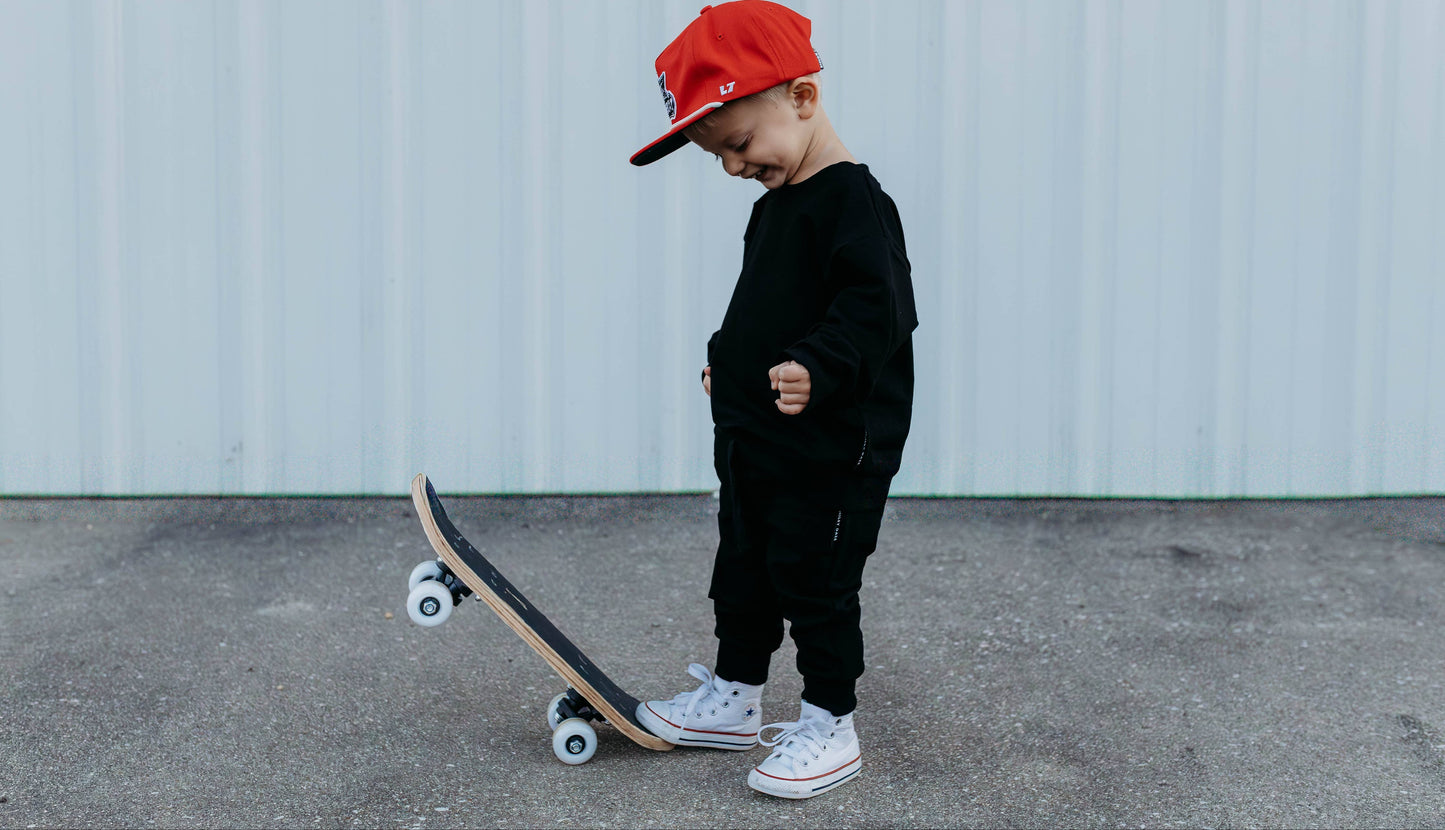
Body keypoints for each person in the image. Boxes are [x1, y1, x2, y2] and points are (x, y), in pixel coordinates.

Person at [629, 0, 917, 799]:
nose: (730, 166)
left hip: (831, 448)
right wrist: (728, 362)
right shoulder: (776, 206)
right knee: (744, 569)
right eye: (716, 154)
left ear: (801, 97)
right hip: (756, 440)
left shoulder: (853, 202)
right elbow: (767, 307)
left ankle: (830, 724)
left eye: (738, 144)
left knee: (814, 580)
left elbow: (878, 308)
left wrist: (819, 367)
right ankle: (733, 698)